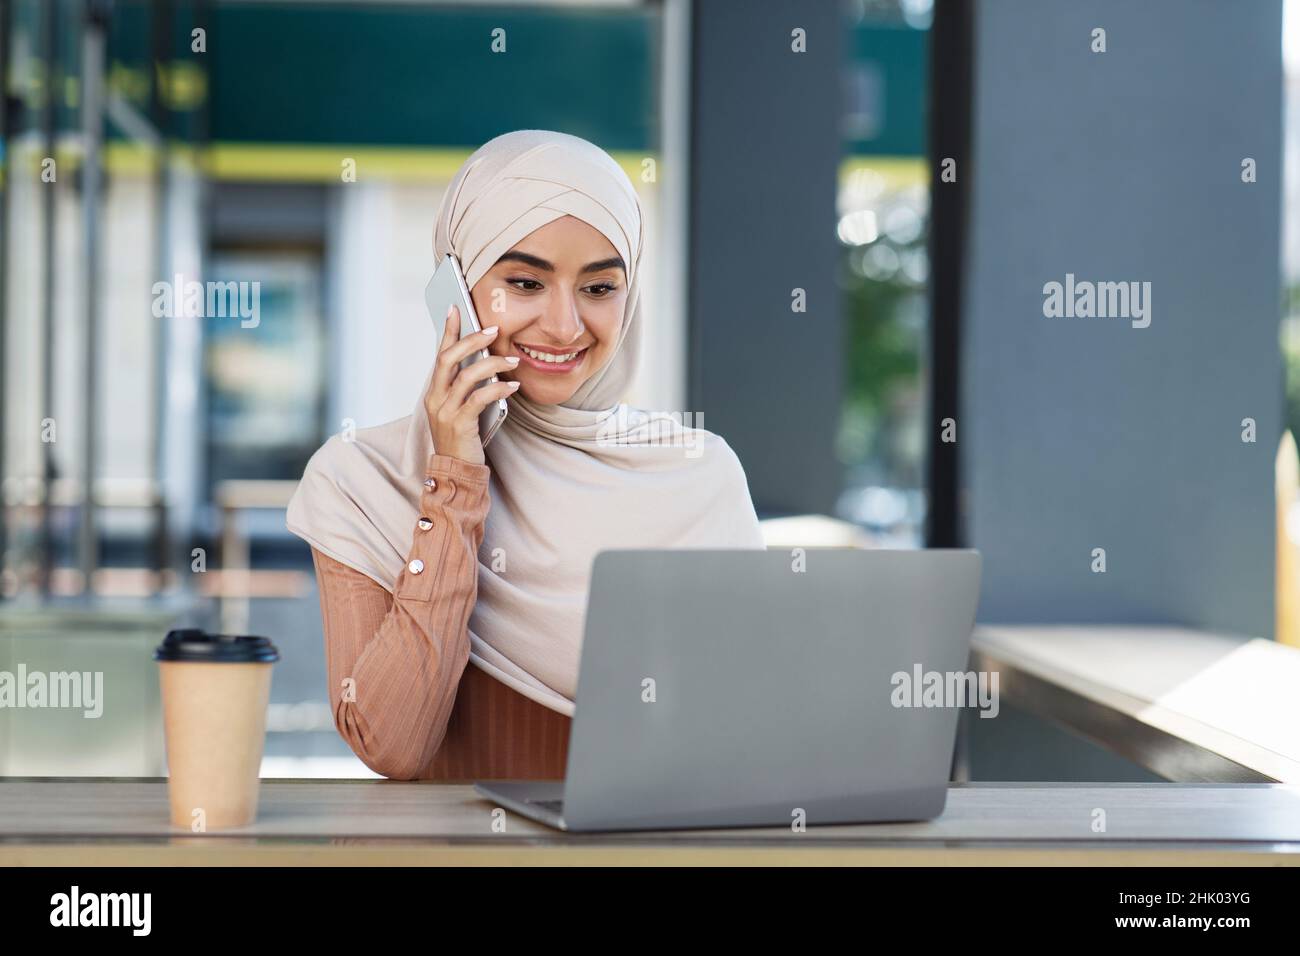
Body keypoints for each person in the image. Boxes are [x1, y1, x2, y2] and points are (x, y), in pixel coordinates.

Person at [286, 129, 765, 780]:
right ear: (453, 286)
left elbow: (744, 740)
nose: (566, 327)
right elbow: (394, 745)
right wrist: (454, 478)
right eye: (525, 282)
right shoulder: (360, 482)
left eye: (599, 288)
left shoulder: (698, 473)